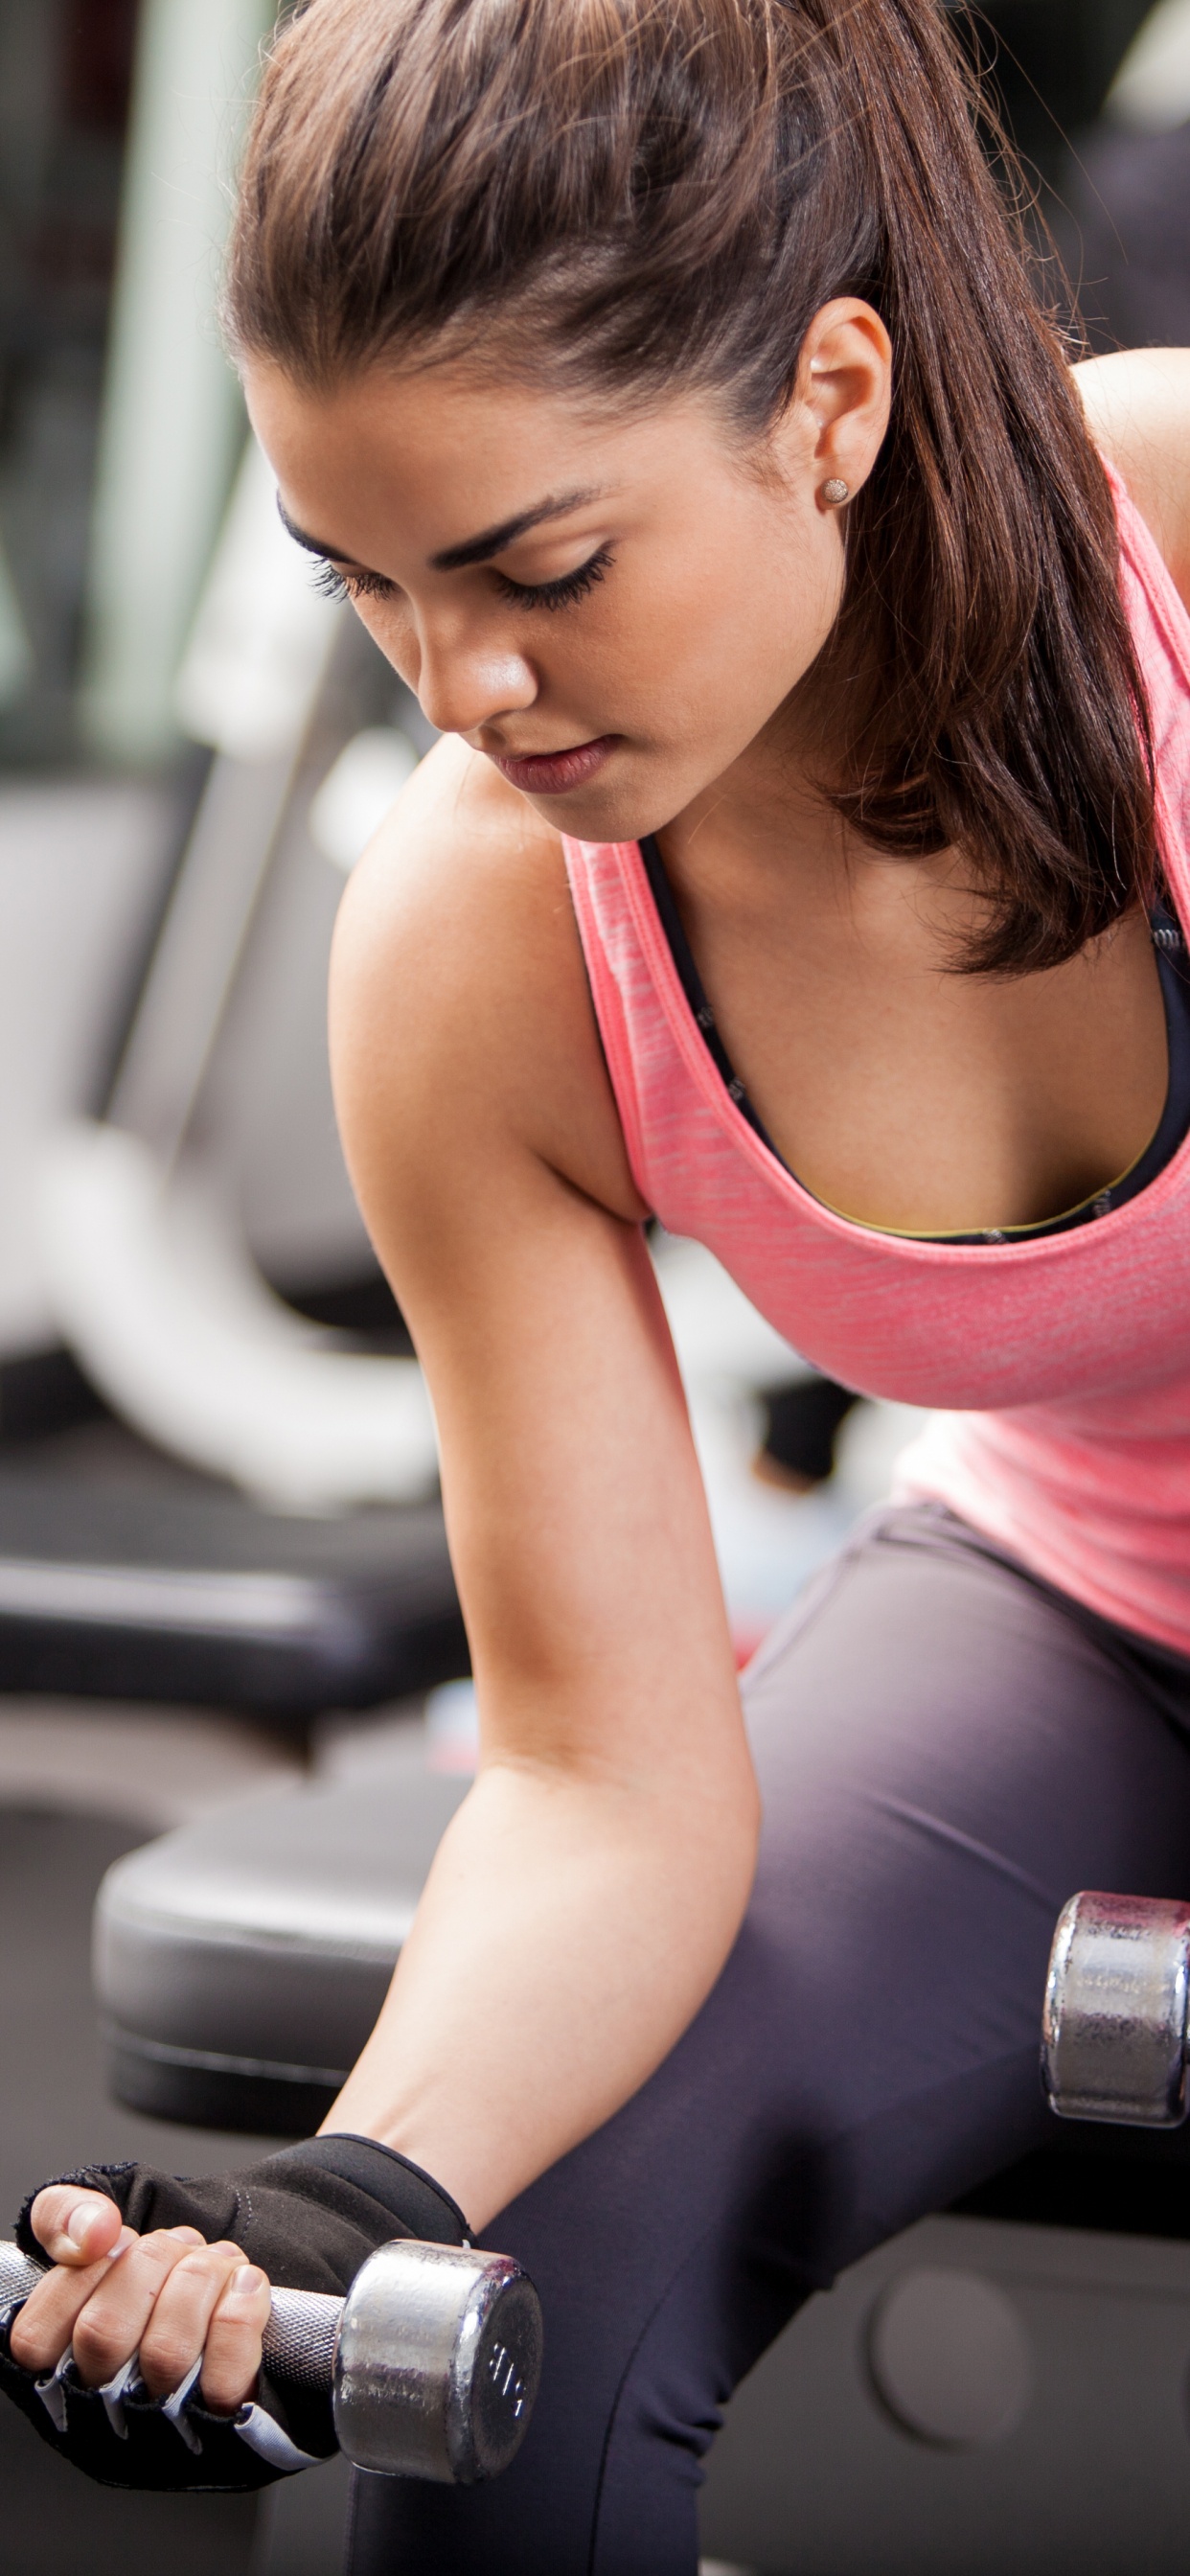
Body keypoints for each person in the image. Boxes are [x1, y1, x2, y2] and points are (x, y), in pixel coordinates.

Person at [8, 0, 1190, 2565]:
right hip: (1089, 1602)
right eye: (373, 592)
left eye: (542, 569)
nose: (467, 696)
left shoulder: (1184, 544)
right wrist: (359, 2190)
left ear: (828, 401)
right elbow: (596, 1770)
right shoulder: (469, 942)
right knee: (500, 2350)